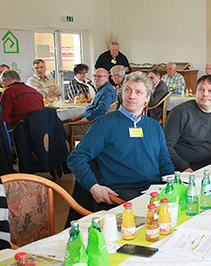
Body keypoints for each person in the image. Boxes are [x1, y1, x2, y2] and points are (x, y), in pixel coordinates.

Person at [67, 72, 174, 204]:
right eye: (127, 90)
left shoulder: (154, 126)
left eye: (138, 92)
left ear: (147, 98)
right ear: (121, 93)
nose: (131, 96)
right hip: (121, 193)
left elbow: (164, 161)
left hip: (153, 190)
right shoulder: (104, 123)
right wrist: (93, 187)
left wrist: (172, 185)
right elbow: (76, 157)